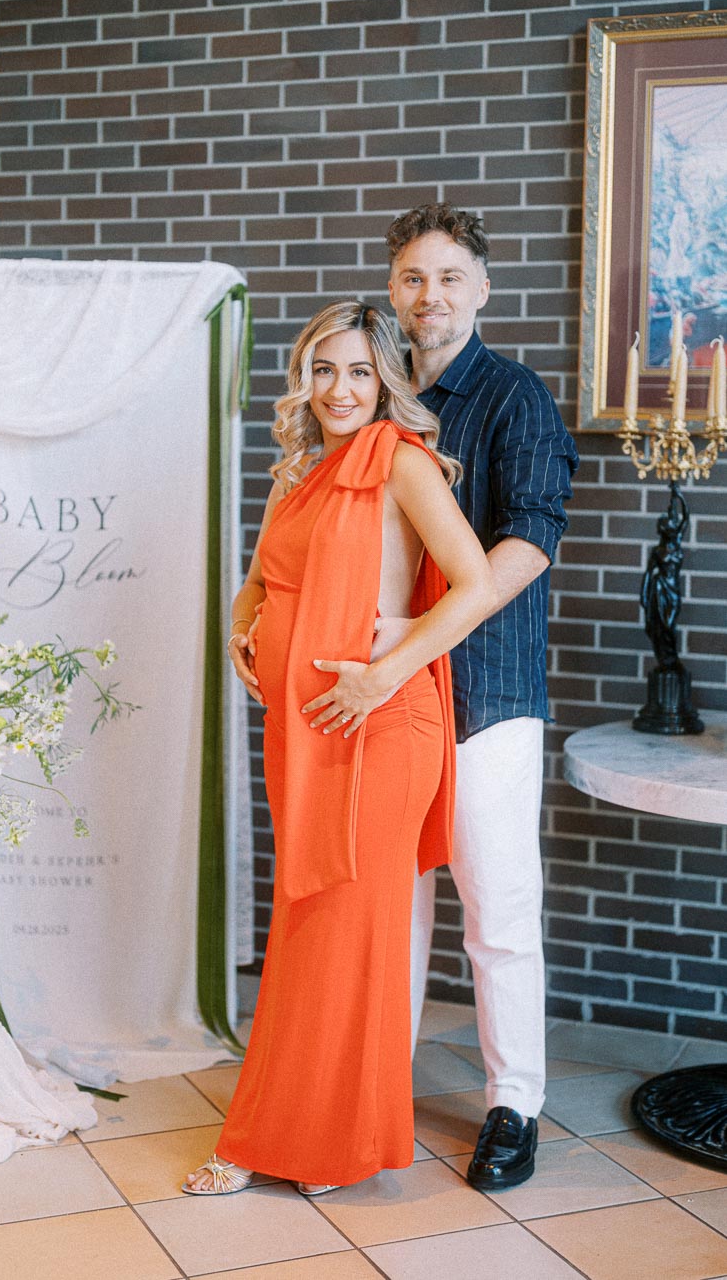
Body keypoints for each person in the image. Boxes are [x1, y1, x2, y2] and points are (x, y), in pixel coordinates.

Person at [183, 300, 494, 1195]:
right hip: (308, 728)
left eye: (359, 371)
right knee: (311, 926)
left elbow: (473, 585)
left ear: (387, 379)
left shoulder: (403, 465)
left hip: (382, 728)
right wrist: (248, 627)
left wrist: (383, 673)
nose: (339, 388)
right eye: (324, 369)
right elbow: (257, 580)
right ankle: (310, 1131)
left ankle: (298, 1140)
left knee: (346, 933)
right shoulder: (297, 474)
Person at [379, 203, 579, 1190]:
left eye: (450, 278)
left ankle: (515, 1106)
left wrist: (424, 639)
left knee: (497, 915)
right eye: (415, 278)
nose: (432, 297)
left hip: (484, 695)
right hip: (382, 699)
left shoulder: (514, 398)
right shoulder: (372, 397)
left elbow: (529, 543)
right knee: (391, 909)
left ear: (483, 290)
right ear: (392, 289)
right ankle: (377, 1083)